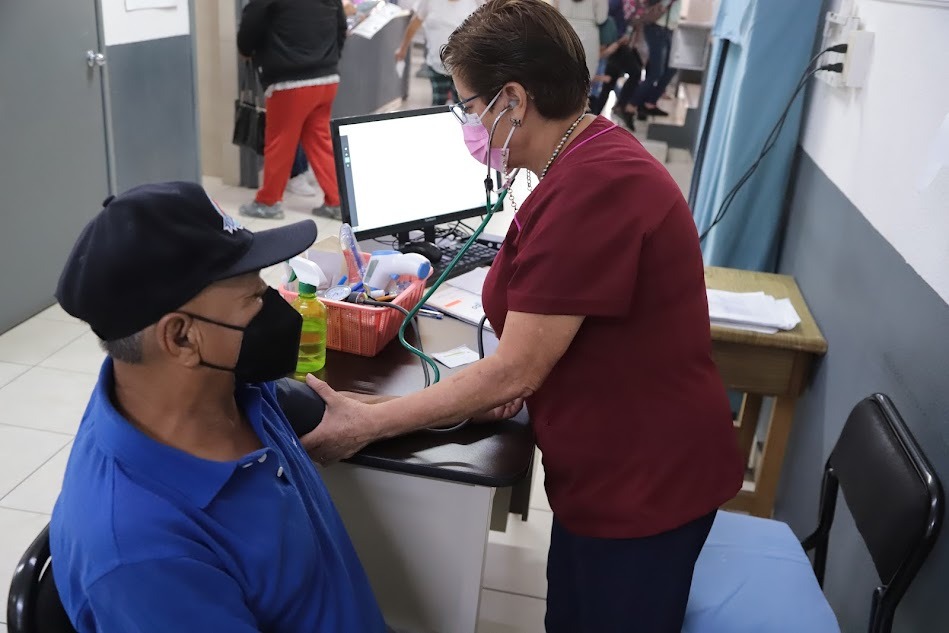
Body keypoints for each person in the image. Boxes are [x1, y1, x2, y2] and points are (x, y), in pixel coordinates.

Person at [300, 1, 744, 631]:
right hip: (608, 463)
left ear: (511, 99)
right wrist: (455, 394)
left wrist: (368, 424)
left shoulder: (595, 188)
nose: (465, 122)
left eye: (467, 104)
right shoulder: (583, 157)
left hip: (644, 481)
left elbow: (516, 371)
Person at [50, 182, 388, 632]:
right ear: (182, 337)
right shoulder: (143, 554)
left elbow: (337, 410)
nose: (276, 308)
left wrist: (456, 401)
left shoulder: (217, 385)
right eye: (253, 297)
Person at [237, 0, 347, 221]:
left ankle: (268, 202)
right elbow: (341, 26)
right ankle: (337, 202)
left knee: (280, 142)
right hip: (327, 77)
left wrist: (245, 49)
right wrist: (328, 60)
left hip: (290, 79)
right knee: (320, 141)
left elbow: (251, 22)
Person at [395, 0, 481, 106]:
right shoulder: (428, 2)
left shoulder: (475, 2)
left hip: (464, 67)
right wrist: (403, 48)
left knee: (463, 106)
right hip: (437, 63)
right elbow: (414, 24)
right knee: (438, 104)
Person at [631, 0, 680, 120]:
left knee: (671, 68)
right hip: (657, 27)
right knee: (656, 72)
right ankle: (631, 105)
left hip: (668, 29)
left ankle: (649, 102)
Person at [552, 0, 609, 82]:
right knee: (585, 77)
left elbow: (554, 12)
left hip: (564, 31)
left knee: (562, 75)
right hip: (589, 35)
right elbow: (601, 18)